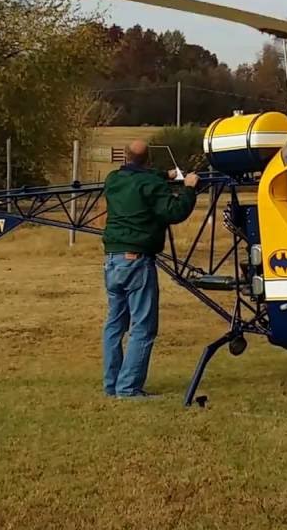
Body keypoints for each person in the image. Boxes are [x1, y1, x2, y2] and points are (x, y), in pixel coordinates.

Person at [100, 140, 198, 398]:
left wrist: (165, 175)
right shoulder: (151, 185)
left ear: (127, 158)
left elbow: (139, 176)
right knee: (143, 326)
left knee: (115, 324)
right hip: (137, 261)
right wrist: (188, 189)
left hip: (112, 260)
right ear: (148, 161)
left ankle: (112, 385)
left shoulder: (113, 179)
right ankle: (129, 388)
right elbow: (174, 212)